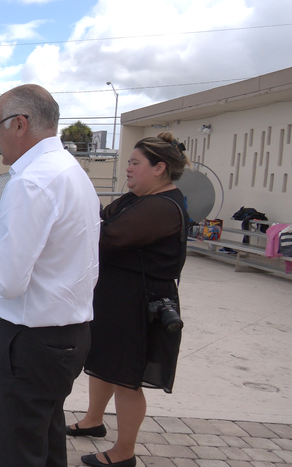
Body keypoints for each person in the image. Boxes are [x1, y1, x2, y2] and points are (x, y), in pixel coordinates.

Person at [0, 84, 100, 467]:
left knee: (15, 453)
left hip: (29, 343)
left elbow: (7, 281)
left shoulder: (31, 182)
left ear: (20, 124)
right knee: (45, 444)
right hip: (66, 337)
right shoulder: (71, 172)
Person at [69, 133, 190, 467]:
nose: (129, 170)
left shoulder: (162, 207)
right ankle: (93, 419)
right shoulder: (137, 198)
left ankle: (124, 453)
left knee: (126, 378)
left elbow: (105, 236)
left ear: (160, 168)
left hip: (138, 304)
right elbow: (101, 219)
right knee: (104, 364)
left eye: (136, 163)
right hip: (116, 298)